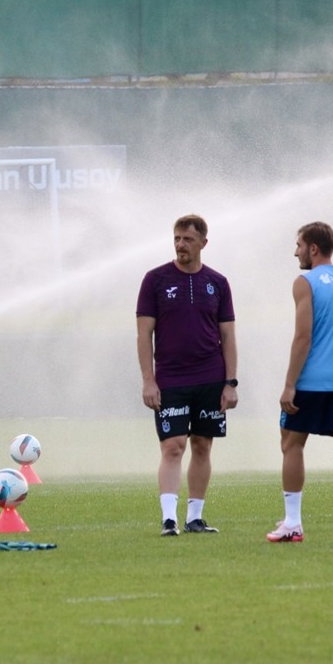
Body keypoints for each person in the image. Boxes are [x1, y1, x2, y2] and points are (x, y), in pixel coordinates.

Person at [136, 214, 238, 537]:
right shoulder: (155, 280)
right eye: (177, 238)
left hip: (211, 377)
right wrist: (148, 380)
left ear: (203, 243)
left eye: (188, 239)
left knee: (202, 445)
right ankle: (169, 519)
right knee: (173, 446)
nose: (181, 244)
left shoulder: (218, 283)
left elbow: (229, 337)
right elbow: (143, 335)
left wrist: (230, 382)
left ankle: (195, 517)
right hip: (171, 379)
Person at [268, 222, 333, 544]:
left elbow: (303, 337)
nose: (295, 251)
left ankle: (293, 524)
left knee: (291, 444)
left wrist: (289, 384)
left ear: (313, 248)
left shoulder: (305, 282)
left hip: (311, 381)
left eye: (298, 245)